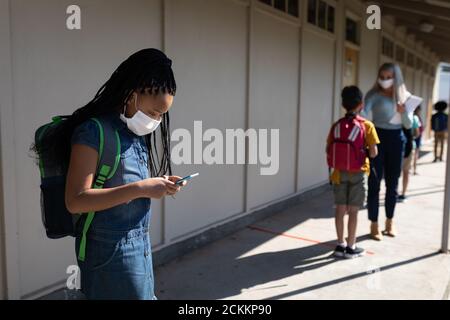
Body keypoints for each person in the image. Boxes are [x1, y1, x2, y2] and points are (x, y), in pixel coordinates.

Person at [32, 49, 187, 300]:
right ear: (131, 95)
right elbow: (76, 200)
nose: (156, 121)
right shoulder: (93, 132)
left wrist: (160, 184)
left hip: (140, 250)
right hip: (108, 256)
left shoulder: (132, 134)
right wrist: (143, 188)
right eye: (152, 113)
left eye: (161, 115)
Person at [327, 86, 379, 259]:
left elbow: (328, 148)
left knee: (340, 209)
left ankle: (340, 244)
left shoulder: (336, 126)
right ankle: (351, 246)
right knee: (354, 211)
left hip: (339, 172)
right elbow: (373, 153)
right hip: (358, 172)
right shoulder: (367, 126)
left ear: (343, 104)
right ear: (361, 105)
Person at [362, 63, 413, 240]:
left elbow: (408, 125)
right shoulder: (373, 95)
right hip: (377, 138)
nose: (384, 80)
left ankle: (390, 222)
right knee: (374, 183)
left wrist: (403, 111)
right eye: (381, 77)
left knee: (392, 185)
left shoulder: (405, 97)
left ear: (396, 77)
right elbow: (363, 114)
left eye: (388, 77)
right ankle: (374, 223)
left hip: (396, 139)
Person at [398, 109, 421, 202]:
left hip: (397, 146)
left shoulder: (396, 115)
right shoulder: (414, 117)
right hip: (410, 146)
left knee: (395, 172)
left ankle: (393, 193)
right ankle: (403, 194)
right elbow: (417, 133)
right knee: (406, 172)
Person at [413, 106, 424, 175]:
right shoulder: (415, 118)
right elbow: (417, 131)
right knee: (415, 155)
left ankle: (414, 169)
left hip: (417, 138)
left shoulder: (417, 118)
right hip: (416, 138)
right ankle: (414, 169)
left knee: (415, 155)